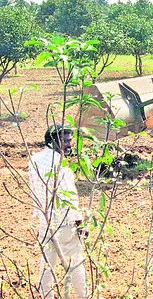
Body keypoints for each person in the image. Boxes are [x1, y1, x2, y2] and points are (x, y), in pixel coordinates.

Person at [28, 124, 87, 299]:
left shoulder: (34, 160)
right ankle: (83, 296)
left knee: (47, 264)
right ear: (54, 141)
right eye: (67, 141)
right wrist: (79, 223)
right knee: (76, 262)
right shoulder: (61, 167)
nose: (70, 145)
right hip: (64, 224)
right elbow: (69, 199)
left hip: (45, 222)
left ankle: (47, 296)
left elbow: (34, 190)